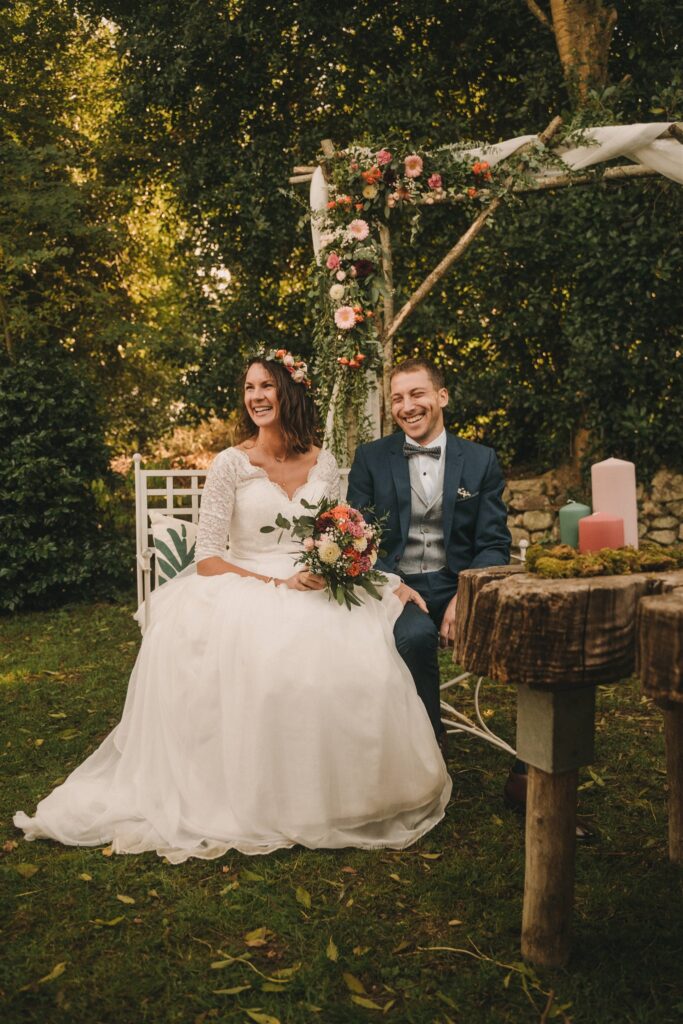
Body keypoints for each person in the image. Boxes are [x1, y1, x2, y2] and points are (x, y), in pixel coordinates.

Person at [14, 350, 451, 863]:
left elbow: (337, 533)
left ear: (290, 391)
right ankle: (257, 793)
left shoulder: (323, 461)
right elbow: (206, 559)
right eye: (250, 388)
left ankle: (352, 790)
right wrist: (276, 582)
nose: (257, 397)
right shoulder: (230, 463)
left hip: (318, 578)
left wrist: (382, 580)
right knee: (270, 661)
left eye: (266, 386)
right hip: (243, 583)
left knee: (360, 666)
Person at [346, 357, 512, 756]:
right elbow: (357, 536)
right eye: (397, 398)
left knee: (530, 625)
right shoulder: (370, 458)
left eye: (417, 394)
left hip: (456, 582)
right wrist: (395, 586)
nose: (407, 406)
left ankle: (533, 761)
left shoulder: (480, 460)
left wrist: (465, 593)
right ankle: (430, 739)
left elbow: (493, 542)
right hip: (394, 583)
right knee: (416, 636)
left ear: (442, 396)